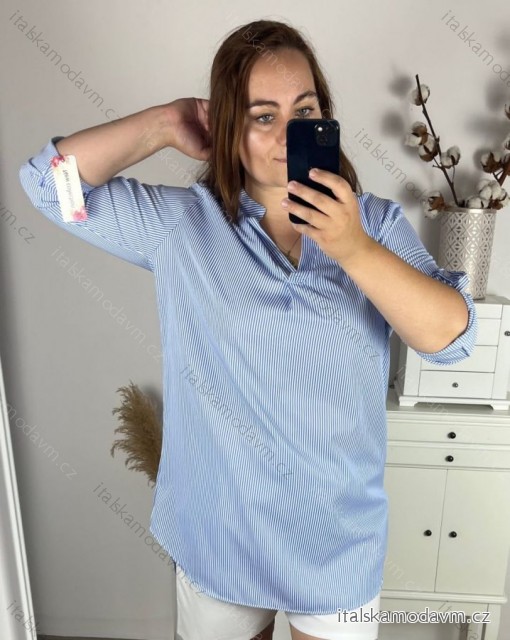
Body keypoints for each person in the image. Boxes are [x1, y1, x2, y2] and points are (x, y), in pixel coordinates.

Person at [19, 18, 477, 640]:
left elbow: (452, 339)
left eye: (304, 110)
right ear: (229, 126)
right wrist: (166, 123)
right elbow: (49, 185)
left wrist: (353, 249)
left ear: (324, 116)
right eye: (263, 116)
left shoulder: (374, 225)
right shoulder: (182, 227)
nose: (288, 133)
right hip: (221, 535)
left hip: (337, 544)